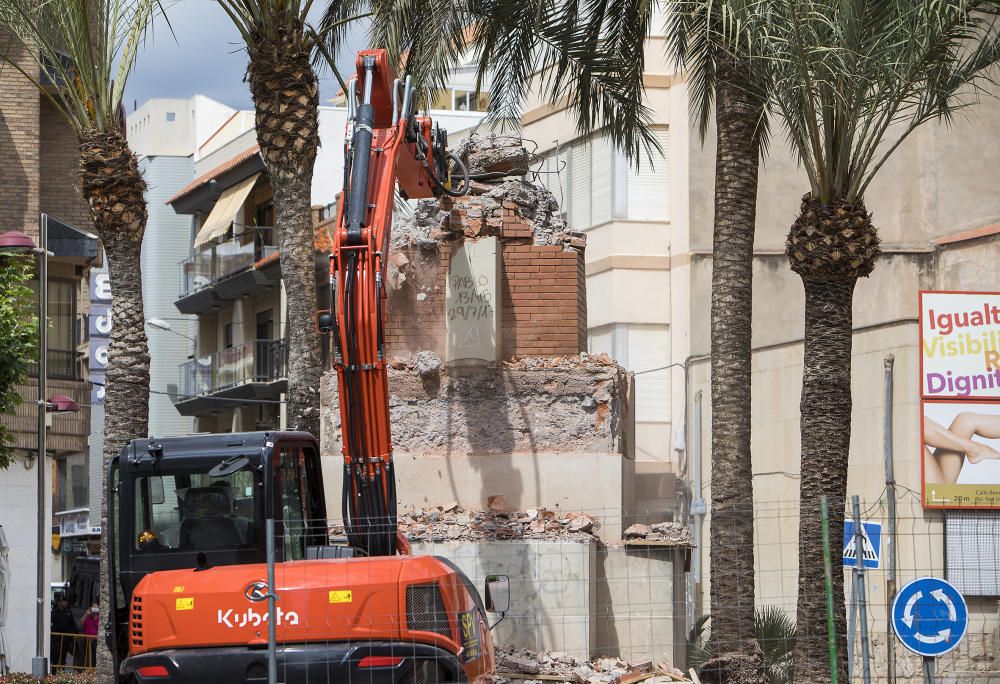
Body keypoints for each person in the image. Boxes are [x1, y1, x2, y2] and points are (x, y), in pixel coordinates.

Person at [924, 413, 1000, 484]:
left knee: (966, 421)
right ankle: (974, 449)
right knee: (914, 423)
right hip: (925, 492)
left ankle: (974, 449)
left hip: (936, 489)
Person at [49, 595, 77, 671]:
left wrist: (76, 634)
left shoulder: (68, 612)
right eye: (63, 601)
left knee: (63, 655)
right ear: (59, 603)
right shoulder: (54, 612)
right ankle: (54, 673)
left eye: (65, 601)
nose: (65, 603)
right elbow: (49, 623)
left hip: (66, 638)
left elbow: (72, 624)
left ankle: (61, 672)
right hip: (56, 637)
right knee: (55, 655)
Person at [81, 603, 99, 668]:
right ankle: (87, 671)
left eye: (96, 608)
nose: (95, 610)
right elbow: (80, 623)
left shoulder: (100, 619)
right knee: (87, 657)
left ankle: (94, 670)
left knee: (95, 657)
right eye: (93, 608)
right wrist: (87, 613)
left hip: (97, 641)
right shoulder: (87, 618)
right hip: (87, 641)